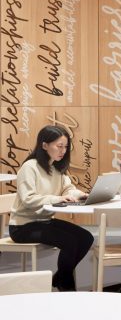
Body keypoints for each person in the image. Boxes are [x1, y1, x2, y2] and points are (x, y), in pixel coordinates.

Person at [8, 125, 94, 291]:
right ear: (44, 145)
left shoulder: (56, 168)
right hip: (22, 227)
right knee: (69, 242)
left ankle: (60, 277)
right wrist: (58, 198)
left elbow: (67, 189)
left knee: (86, 238)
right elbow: (28, 199)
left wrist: (79, 194)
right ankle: (66, 286)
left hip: (44, 221)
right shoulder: (29, 167)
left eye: (65, 147)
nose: (63, 151)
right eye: (59, 146)